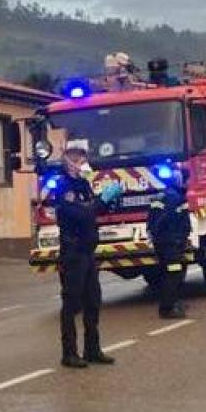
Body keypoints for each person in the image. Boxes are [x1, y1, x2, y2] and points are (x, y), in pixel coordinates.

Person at [51, 140, 122, 368]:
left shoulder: (84, 185)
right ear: (68, 161)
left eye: (83, 156)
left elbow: (94, 211)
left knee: (93, 301)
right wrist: (102, 200)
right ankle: (69, 353)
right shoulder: (64, 187)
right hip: (73, 252)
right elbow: (81, 213)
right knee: (72, 303)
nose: (82, 161)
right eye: (77, 157)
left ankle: (92, 349)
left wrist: (111, 200)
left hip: (88, 252)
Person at [148, 167, 192, 319]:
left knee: (167, 272)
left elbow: (152, 221)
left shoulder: (159, 197)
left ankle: (174, 303)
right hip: (172, 243)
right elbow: (183, 222)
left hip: (161, 242)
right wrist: (183, 238)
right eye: (186, 181)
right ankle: (167, 308)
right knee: (174, 273)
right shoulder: (177, 199)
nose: (187, 183)